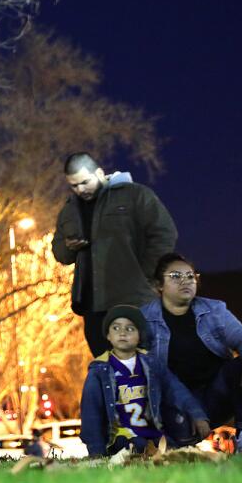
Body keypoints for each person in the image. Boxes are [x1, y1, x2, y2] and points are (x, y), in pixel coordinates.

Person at [52, 152, 177, 356]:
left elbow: (164, 232)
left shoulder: (134, 194)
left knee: (142, 369)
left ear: (100, 173)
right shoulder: (69, 211)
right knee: (107, 372)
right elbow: (60, 254)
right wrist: (69, 246)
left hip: (133, 300)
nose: (80, 189)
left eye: (85, 182)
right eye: (74, 185)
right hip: (93, 307)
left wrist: (147, 276)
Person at [141, 253, 242, 455]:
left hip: (216, 394)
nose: (186, 281)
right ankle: (172, 441)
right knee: (178, 447)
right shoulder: (144, 319)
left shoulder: (213, 309)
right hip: (176, 402)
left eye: (190, 276)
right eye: (175, 276)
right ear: (159, 285)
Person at [80, 305, 209, 457]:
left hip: (153, 436)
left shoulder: (152, 364)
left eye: (130, 329)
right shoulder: (99, 371)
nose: (122, 333)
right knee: (139, 444)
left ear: (139, 335)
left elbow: (175, 390)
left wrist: (197, 415)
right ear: (108, 335)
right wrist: (96, 452)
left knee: (177, 445)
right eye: (116, 328)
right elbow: (90, 413)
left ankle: (178, 447)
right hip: (121, 440)